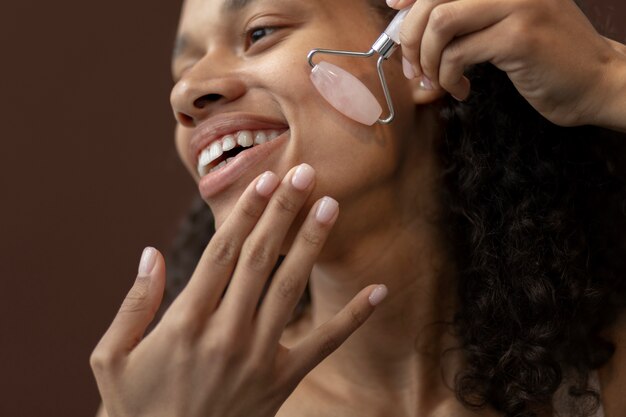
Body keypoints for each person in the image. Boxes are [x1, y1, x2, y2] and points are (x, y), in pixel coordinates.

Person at [90, 0, 626, 416]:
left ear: (416, 56)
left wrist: (607, 79)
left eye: (259, 32)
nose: (185, 93)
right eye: (182, 70)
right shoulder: (173, 403)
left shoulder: (606, 370)